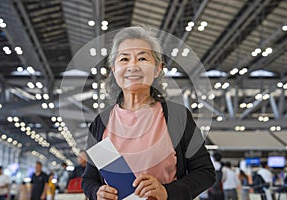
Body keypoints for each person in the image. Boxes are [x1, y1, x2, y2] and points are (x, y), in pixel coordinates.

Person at [81, 26, 215, 200]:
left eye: (142, 58)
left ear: (158, 68)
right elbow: (89, 179)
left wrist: (167, 191)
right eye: (124, 59)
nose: (133, 66)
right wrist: (96, 192)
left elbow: (205, 172)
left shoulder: (177, 117)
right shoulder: (101, 122)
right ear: (114, 70)